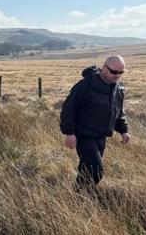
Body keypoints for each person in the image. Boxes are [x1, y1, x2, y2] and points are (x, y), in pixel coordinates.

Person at [60, 55, 130, 191]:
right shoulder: (86, 85)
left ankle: (79, 198)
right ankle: (79, 197)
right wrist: (69, 133)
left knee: (87, 170)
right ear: (104, 67)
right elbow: (69, 109)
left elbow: (118, 111)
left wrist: (123, 130)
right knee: (95, 169)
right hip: (84, 135)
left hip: (101, 137)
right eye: (114, 72)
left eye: (121, 72)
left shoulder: (118, 88)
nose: (117, 75)